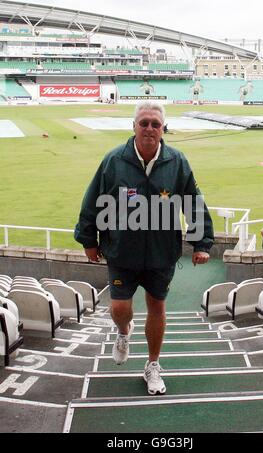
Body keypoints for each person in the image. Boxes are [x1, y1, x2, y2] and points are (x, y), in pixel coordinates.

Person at [74, 102, 214, 395]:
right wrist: (89, 239)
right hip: (121, 250)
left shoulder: (178, 161)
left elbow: (193, 202)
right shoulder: (114, 160)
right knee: (120, 308)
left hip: (162, 253)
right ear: (134, 126)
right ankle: (124, 332)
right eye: (144, 122)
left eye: (155, 124)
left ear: (164, 129)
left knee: (157, 307)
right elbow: (92, 199)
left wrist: (201, 242)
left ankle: (153, 365)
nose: (149, 128)